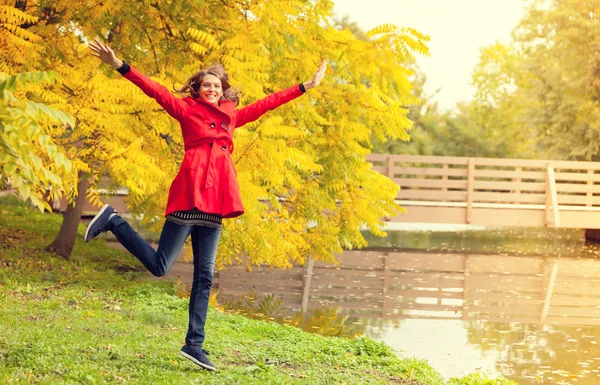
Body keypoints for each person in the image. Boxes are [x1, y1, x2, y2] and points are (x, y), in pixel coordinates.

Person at [85, 38, 327, 371]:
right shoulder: (186, 109)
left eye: (216, 85)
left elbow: (270, 103)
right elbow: (154, 89)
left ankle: (194, 345)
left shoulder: (232, 116)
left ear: (223, 89)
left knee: (205, 276)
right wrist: (120, 65)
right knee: (160, 266)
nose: (211, 89)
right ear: (197, 90)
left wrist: (305, 86)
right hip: (189, 193)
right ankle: (113, 219)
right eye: (205, 85)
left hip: (216, 201)